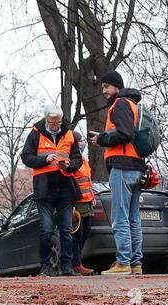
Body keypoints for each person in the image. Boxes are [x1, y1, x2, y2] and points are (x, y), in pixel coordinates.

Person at [89, 70, 145, 275]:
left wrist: (102, 139)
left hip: (122, 167)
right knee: (133, 219)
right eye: (102, 87)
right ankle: (136, 263)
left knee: (120, 217)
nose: (104, 90)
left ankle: (123, 262)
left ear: (117, 87)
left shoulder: (119, 104)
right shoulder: (133, 104)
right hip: (136, 167)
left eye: (107, 86)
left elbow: (124, 133)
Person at [20, 105, 83, 276]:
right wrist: (45, 159)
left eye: (58, 122)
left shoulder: (69, 134)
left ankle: (67, 265)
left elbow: (78, 159)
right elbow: (26, 157)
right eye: (52, 122)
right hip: (44, 189)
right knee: (46, 229)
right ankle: (45, 266)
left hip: (65, 188)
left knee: (66, 230)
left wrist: (70, 165)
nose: (55, 126)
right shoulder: (36, 133)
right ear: (46, 120)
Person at [65, 128, 96, 275]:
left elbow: (87, 182)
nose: (82, 144)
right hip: (77, 203)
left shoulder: (84, 161)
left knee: (86, 232)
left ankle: (76, 261)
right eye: (80, 141)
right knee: (77, 234)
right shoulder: (71, 162)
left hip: (87, 202)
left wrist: (93, 197)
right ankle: (76, 264)